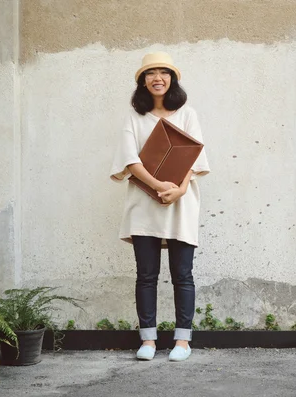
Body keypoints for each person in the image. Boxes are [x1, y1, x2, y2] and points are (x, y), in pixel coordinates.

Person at [109, 51, 210, 361]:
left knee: (183, 274)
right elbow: (130, 160)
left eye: (163, 72)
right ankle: (148, 340)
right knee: (146, 275)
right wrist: (157, 186)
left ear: (172, 79)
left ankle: (182, 341)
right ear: (142, 80)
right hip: (144, 202)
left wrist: (178, 190)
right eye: (150, 73)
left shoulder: (187, 114)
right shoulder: (134, 117)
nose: (157, 78)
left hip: (180, 203)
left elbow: (194, 159)